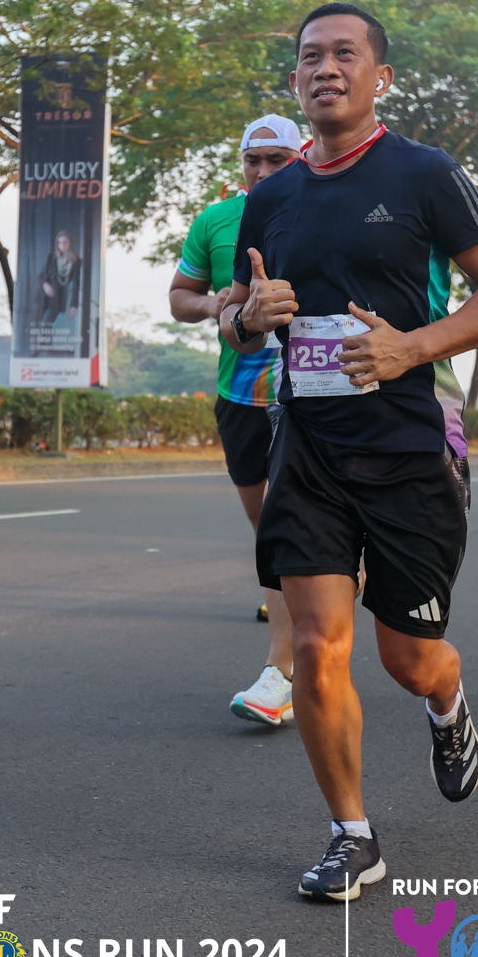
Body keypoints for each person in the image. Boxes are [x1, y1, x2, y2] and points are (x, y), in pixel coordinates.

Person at [218, 2, 478, 901]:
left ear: (380, 77)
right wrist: (248, 317)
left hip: (407, 443)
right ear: (295, 80)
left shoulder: (424, 173)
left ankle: (447, 698)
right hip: (308, 444)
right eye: (310, 57)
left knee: (408, 656)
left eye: (344, 54)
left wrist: (411, 348)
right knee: (317, 643)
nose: (326, 68)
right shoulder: (269, 198)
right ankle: (352, 836)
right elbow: (237, 316)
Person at [169, 115, 303, 726]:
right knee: (268, 528)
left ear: (301, 156)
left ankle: (283, 672)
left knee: (284, 524)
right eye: (255, 160)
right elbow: (181, 296)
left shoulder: (322, 210)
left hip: (308, 395)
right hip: (241, 394)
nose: (264, 171)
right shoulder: (216, 221)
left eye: (278, 160)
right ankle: (308, 606)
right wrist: (214, 303)